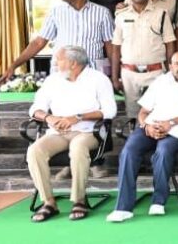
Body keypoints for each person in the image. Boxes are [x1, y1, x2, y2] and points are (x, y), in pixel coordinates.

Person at [106, 52, 178, 222]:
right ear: (170, 66)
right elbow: (143, 112)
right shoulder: (161, 81)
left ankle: (158, 201)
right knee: (129, 151)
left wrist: (171, 122)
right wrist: (146, 125)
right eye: (177, 63)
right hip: (151, 127)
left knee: (163, 150)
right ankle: (123, 207)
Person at [27, 46, 117, 222]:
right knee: (34, 151)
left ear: (73, 63)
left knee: (78, 147)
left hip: (88, 132)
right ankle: (49, 203)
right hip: (58, 132)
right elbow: (35, 109)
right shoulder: (53, 80)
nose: (55, 63)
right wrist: (49, 117)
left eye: (59, 60)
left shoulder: (98, 79)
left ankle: (79, 200)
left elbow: (110, 111)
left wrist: (78, 117)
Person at [0, 0, 114, 82]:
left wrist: (114, 76)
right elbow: (39, 42)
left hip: (91, 73)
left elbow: (111, 46)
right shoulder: (56, 12)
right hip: (62, 73)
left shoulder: (102, 13)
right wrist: (14, 65)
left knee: (91, 104)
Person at [111, 0, 176, 117]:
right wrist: (115, 77)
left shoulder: (161, 14)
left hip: (156, 72)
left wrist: (171, 71)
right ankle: (135, 136)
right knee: (133, 113)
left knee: (158, 111)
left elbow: (170, 44)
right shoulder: (121, 16)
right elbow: (116, 48)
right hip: (129, 74)